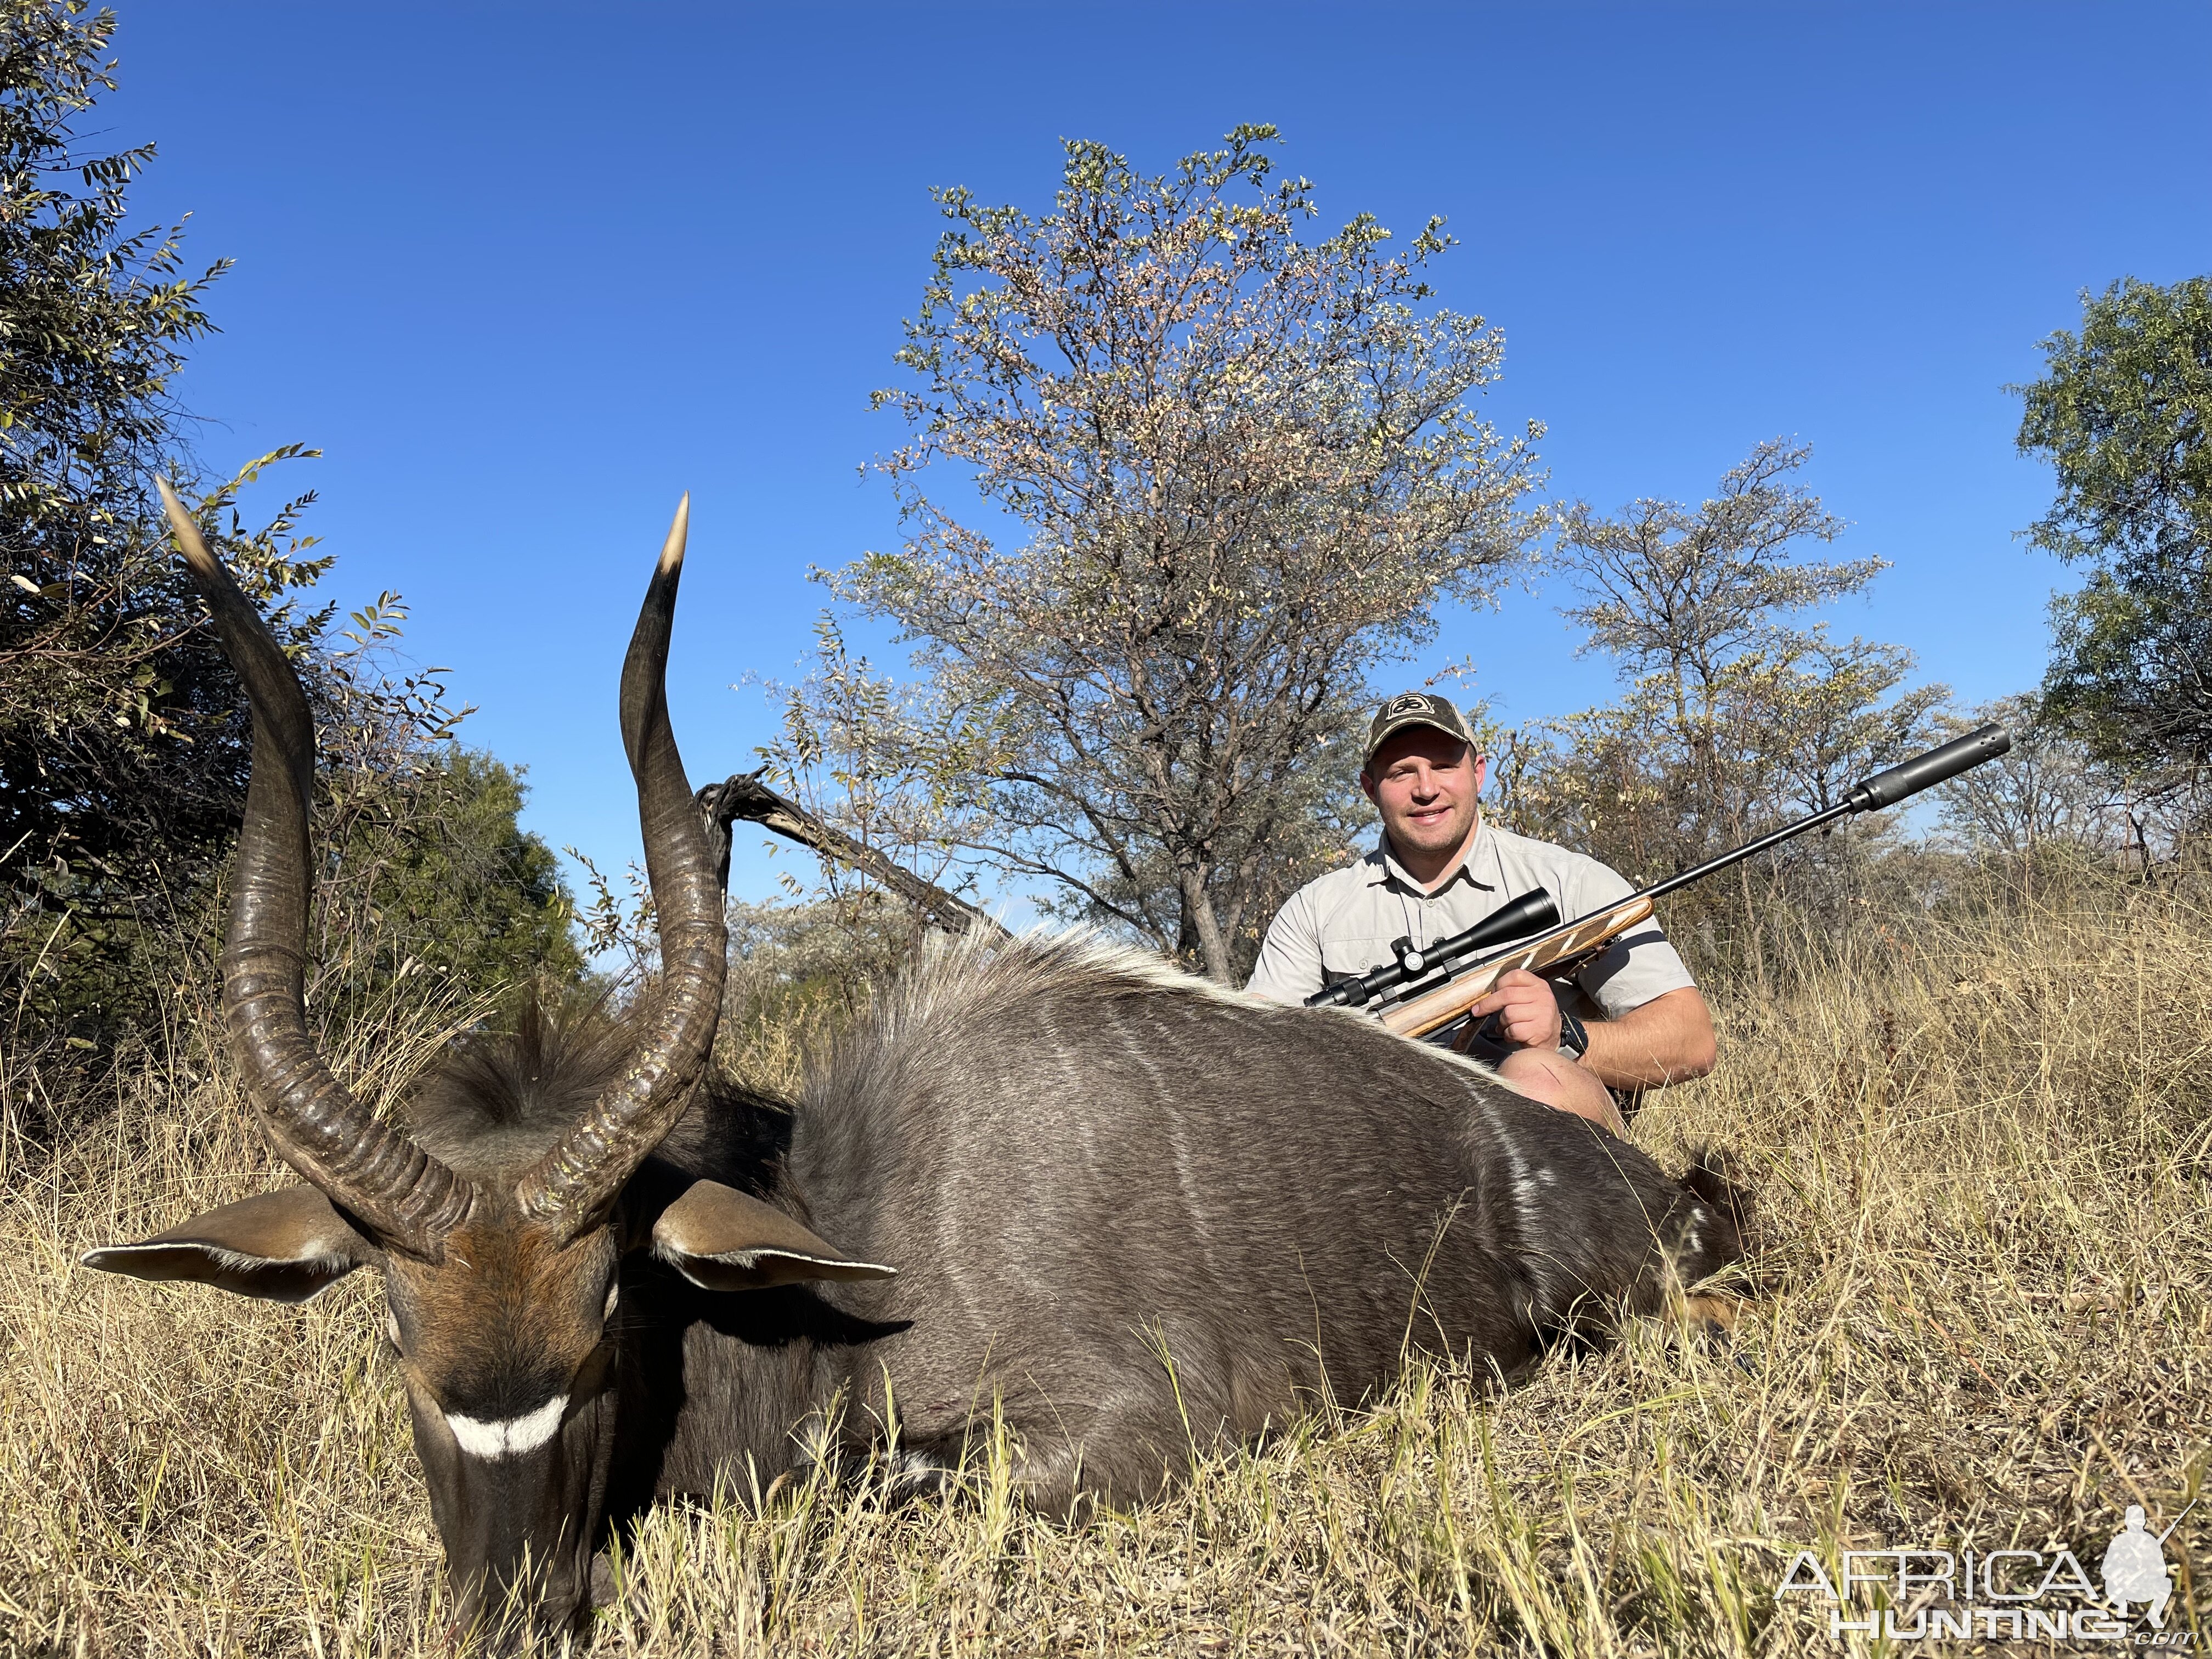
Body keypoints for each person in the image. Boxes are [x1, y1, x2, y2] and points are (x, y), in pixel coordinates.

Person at [1246, 690, 1717, 1132]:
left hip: (1557, 1171)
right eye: (1400, 772)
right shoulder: (1314, 910)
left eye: (1444, 765)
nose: (1426, 789)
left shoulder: (1568, 881)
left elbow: (1692, 1042)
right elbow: (1258, 1061)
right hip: (1383, 1145)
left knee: (1536, 1076)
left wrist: (1565, 1035)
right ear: (1371, 789)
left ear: (1478, 772)